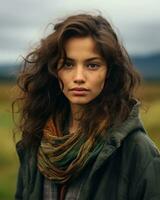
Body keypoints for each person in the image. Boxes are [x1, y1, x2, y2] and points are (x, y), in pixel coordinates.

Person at [13, 13, 160, 200]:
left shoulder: (136, 150)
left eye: (92, 65)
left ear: (109, 71)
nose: (79, 77)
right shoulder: (37, 140)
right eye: (68, 64)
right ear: (54, 71)